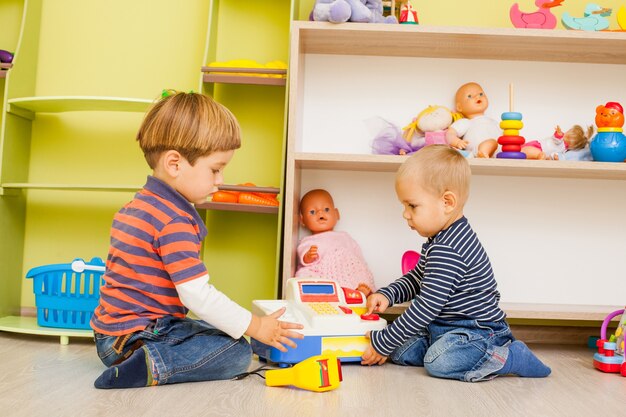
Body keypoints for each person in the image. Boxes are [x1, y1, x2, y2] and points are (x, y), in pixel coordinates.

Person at [90, 91, 303, 389]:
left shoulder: (140, 205)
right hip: (135, 338)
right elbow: (196, 295)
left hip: (111, 335)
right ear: (175, 164)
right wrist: (256, 327)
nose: (219, 180)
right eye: (215, 169)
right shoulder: (173, 219)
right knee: (238, 349)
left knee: (222, 330)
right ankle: (150, 366)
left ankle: (142, 361)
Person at [361, 145, 551, 382]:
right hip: (443, 329)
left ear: (447, 202)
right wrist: (388, 295)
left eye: (412, 205)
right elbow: (417, 279)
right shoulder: (439, 239)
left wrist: (384, 342)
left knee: (438, 362)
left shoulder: (448, 247)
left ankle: (510, 356)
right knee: (402, 350)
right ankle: (437, 347)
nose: (405, 214)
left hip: (477, 333)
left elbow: (426, 305)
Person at [296, 189, 376, 296]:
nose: (320, 213)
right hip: (323, 272)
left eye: (326, 209)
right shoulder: (308, 241)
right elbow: (303, 257)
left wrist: (360, 267)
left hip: (346, 268)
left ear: (337, 214)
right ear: (302, 220)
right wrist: (309, 256)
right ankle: (326, 294)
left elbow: (357, 255)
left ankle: (359, 292)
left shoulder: (344, 236)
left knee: (359, 269)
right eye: (312, 212)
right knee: (303, 274)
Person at [445, 82, 500, 158]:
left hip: (499, 153)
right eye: (470, 96)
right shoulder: (466, 122)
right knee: (492, 143)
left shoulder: (494, 122)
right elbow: (450, 133)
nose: (477, 97)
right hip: (477, 151)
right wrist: (457, 142)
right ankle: (483, 152)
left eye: (481, 94)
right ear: (459, 107)